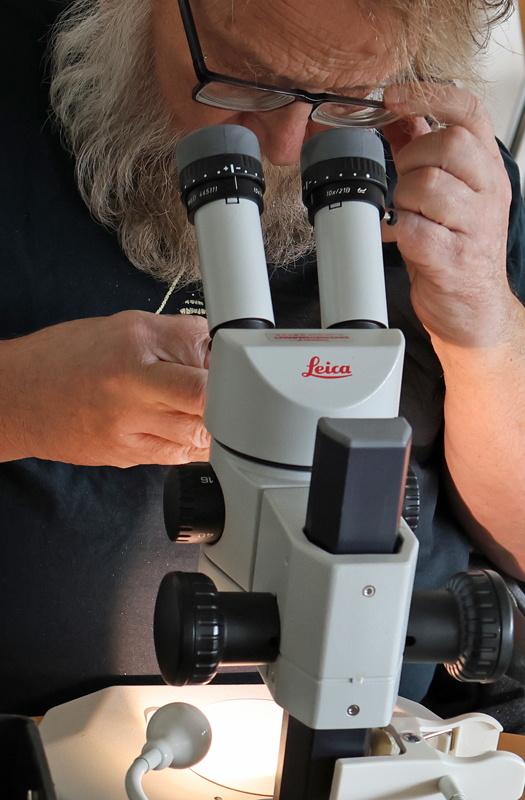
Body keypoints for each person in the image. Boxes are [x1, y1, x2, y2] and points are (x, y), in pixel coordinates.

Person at [1, 0, 525, 726]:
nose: (284, 146)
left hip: (381, 733)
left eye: (343, 98)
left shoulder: (450, 185)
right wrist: (16, 400)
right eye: (245, 80)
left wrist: (486, 326)